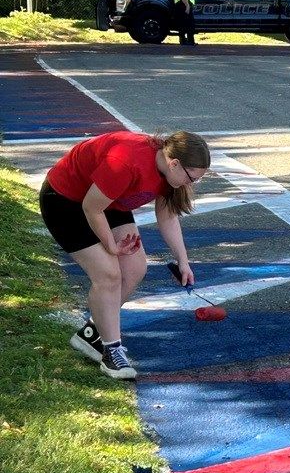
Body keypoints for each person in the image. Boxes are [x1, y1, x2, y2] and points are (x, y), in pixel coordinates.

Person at [41, 131, 210, 380]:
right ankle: (111, 352)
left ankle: (92, 334)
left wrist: (183, 261)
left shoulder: (168, 171)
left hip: (106, 201)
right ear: (175, 163)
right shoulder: (126, 162)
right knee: (108, 275)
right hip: (66, 201)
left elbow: (167, 217)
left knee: (134, 269)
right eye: (191, 178)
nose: (190, 184)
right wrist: (111, 246)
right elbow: (91, 207)